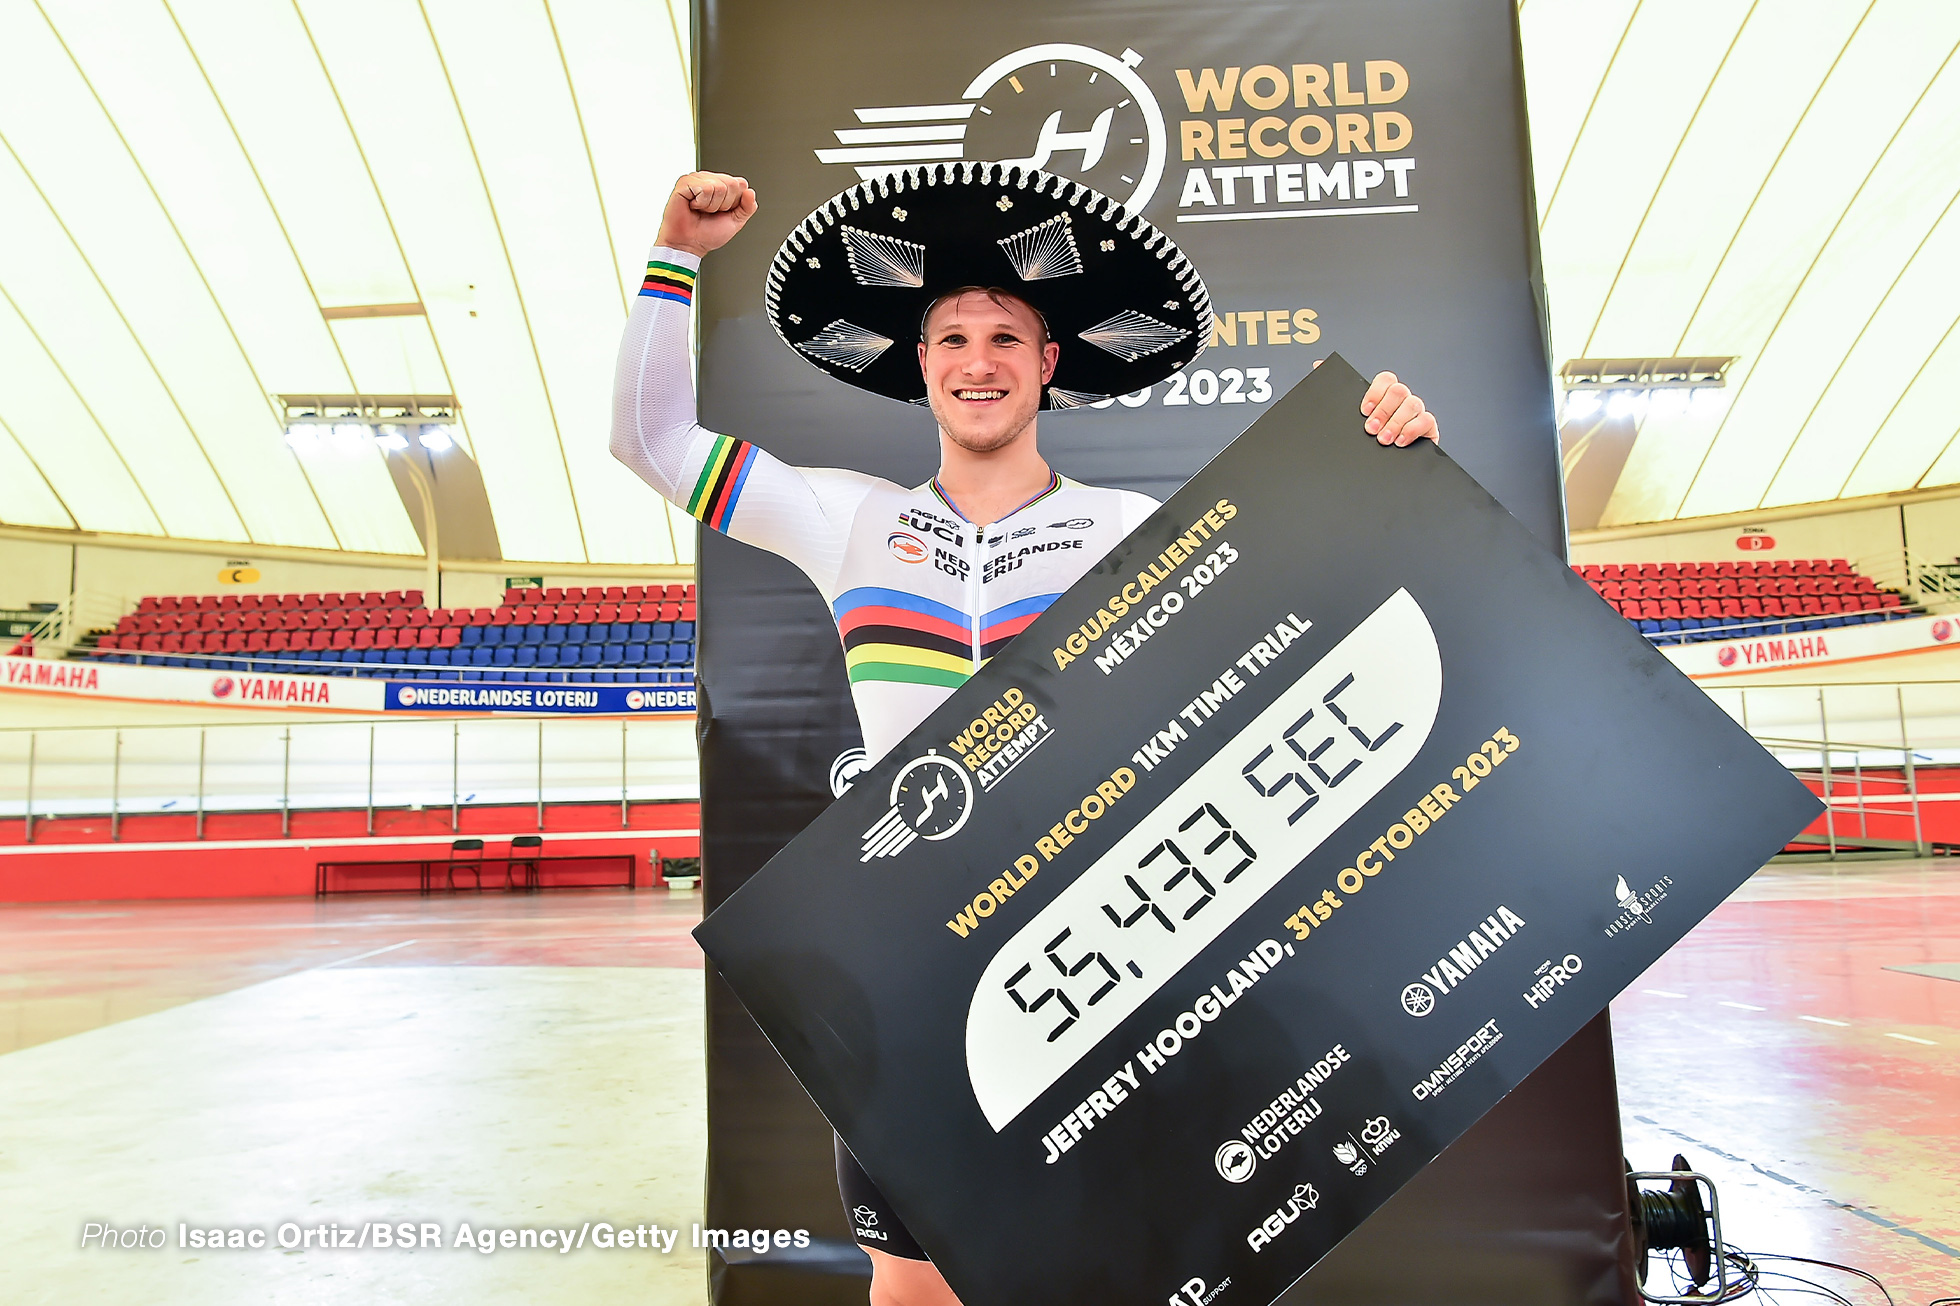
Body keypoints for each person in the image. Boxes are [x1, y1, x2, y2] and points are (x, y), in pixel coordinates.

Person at [614, 166, 1438, 1306]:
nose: (978, 359)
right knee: (912, 1288)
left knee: (1118, 1269)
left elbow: (1328, 612)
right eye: (951, 335)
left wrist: (1395, 454)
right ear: (920, 364)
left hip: (1106, 961)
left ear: (1049, 363)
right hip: (909, 975)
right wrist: (674, 254)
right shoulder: (846, 518)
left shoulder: (1131, 531)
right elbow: (651, 440)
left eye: (1006, 334)